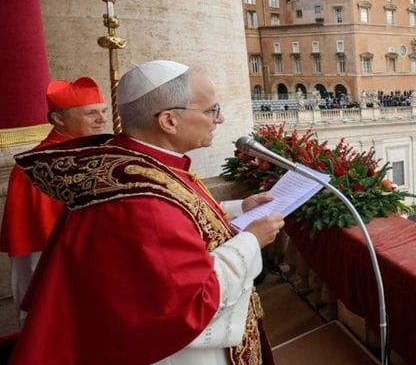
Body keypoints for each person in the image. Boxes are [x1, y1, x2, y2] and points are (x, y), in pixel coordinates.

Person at [10, 61, 285, 364]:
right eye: (210, 110)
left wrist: (238, 209)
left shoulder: (138, 165)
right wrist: (251, 241)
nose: (219, 119)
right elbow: (191, 300)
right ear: (169, 121)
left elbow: (178, 216)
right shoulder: (140, 198)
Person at [0, 77, 107, 314]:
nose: (103, 120)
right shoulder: (36, 164)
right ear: (58, 119)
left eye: (104, 111)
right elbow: (38, 244)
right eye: (92, 114)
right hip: (53, 263)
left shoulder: (97, 150)